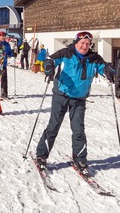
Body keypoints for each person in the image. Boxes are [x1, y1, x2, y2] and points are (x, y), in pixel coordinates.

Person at [35, 31, 114, 175]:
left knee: (78, 130)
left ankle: (80, 159)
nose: (84, 46)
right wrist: (48, 66)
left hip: (79, 98)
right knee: (53, 126)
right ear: (76, 42)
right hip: (61, 95)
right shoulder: (66, 52)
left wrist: (109, 70)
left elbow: (103, 67)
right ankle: (41, 155)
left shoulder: (94, 58)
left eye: (87, 44)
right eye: (82, 43)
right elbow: (50, 60)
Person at [0, 31, 13, 99]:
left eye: (4, 36)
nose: (3, 37)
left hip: (4, 64)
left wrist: (11, 54)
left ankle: (4, 93)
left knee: (4, 79)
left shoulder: (7, 44)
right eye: (1, 36)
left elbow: (9, 52)